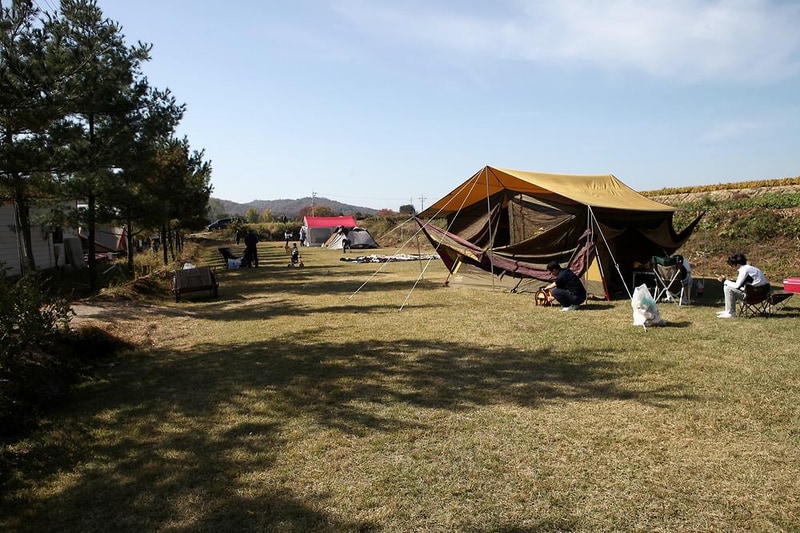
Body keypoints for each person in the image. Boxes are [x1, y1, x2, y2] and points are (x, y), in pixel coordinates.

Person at [716, 253, 768, 318]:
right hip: (762, 295)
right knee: (729, 286)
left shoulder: (744, 270)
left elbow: (737, 286)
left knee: (727, 287)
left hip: (752, 297)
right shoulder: (753, 269)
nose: (731, 267)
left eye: (732, 265)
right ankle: (728, 310)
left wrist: (724, 281)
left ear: (737, 264)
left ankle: (730, 312)